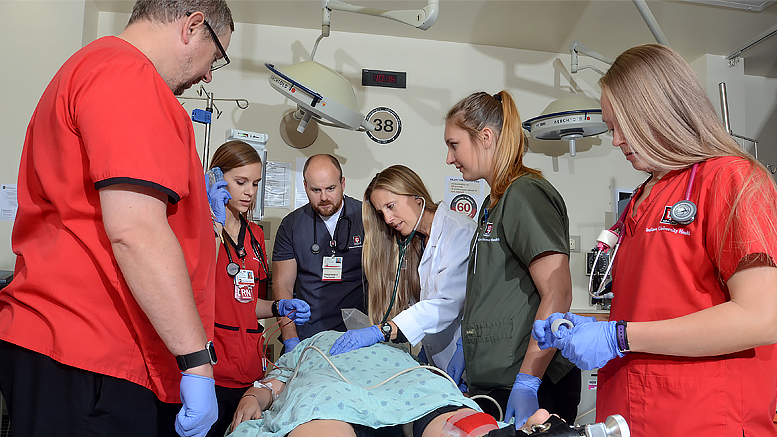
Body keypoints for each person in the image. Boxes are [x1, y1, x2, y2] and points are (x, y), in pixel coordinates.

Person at [0, 1, 234, 437]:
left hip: (71, 349)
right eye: (215, 58)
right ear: (193, 26)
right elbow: (136, 230)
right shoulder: (129, 75)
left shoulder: (90, 68)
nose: (207, 76)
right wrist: (197, 363)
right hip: (94, 351)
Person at [533, 44, 777, 437]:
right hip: (630, 414)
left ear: (658, 111)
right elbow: (660, 306)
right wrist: (589, 327)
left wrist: (618, 336)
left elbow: (762, 317)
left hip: (705, 417)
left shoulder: (731, 179)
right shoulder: (646, 195)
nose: (614, 141)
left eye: (620, 126)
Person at [443, 91, 580, 427]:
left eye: (453, 144)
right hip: (500, 376)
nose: (449, 158)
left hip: (534, 379)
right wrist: (469, 345)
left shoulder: (525, 194)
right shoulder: (494, 203)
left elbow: (558, 293)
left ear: (485, 137)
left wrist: (528, 380)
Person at [225, 331, 551, 437]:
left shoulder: (387, 344)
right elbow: (273, 381)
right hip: (330, 387)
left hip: (406, 381)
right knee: (319, 407)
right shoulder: (311, 346)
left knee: (439, 401)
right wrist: (254, 397)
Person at [204, 140, 312, 437]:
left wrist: (277, 307)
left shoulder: (255, 235)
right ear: (216, 177)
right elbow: (197, 284)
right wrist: (213, 225)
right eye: (240, 182)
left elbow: (247, 303)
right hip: (210, 372)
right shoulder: (200, 226)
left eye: (255, 183)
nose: (249, 191)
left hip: (250, 374)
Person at [329, 165, 476, 377]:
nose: (388, 219)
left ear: (417, 195)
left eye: (391, 206)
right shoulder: (418, 240)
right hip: (440, 359)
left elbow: (445, 304)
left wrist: (383, 330)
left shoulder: (459, 231)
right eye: (382, 212)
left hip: (465, 359)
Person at [272, 154, 367, 352]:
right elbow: (283, 286)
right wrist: (291, 340)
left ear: (342, 183)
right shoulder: (291, 225)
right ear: (305, 186)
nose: (324, 197)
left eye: (330, 188)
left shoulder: (366, 217)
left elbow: (385, 279)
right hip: (308, 335)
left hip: (357, 333)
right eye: (316, 190)